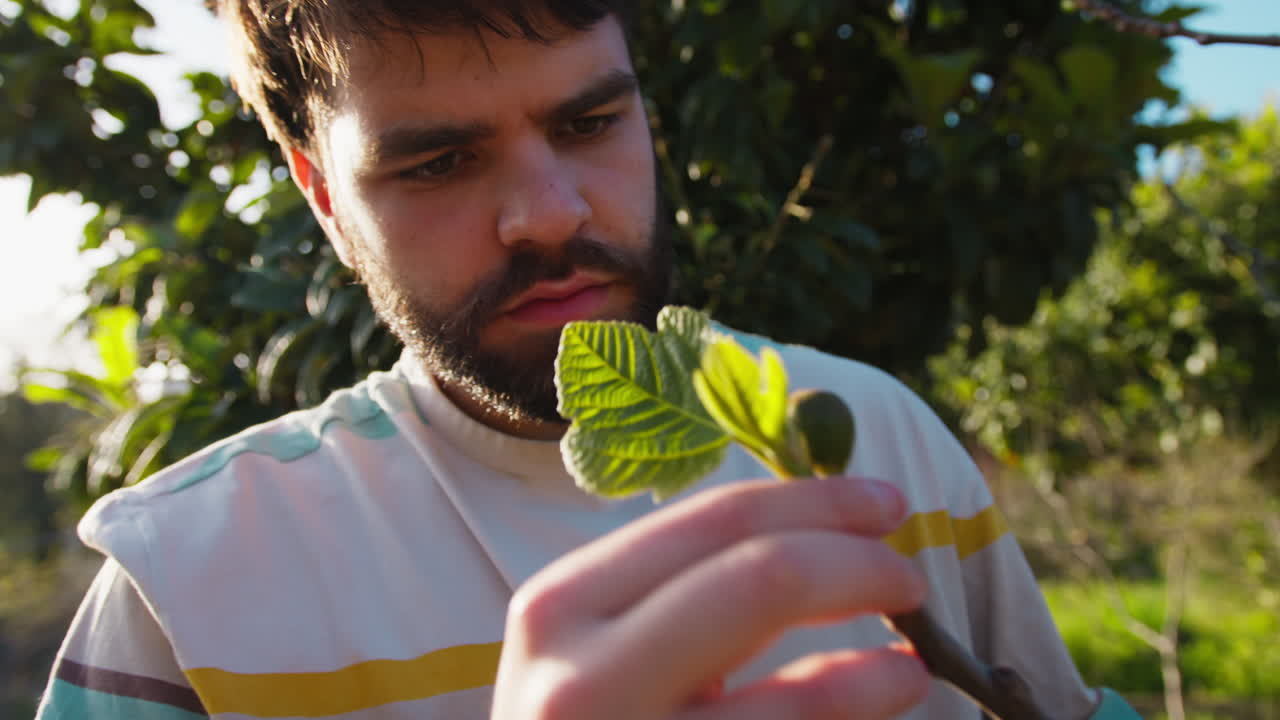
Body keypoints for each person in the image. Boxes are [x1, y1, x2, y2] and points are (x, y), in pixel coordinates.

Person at [37, 2, 1141, 718]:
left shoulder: (875, 429)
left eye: (587, 124)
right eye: (436, 164)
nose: (550, 217)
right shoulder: (186, 581)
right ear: (322, 198)